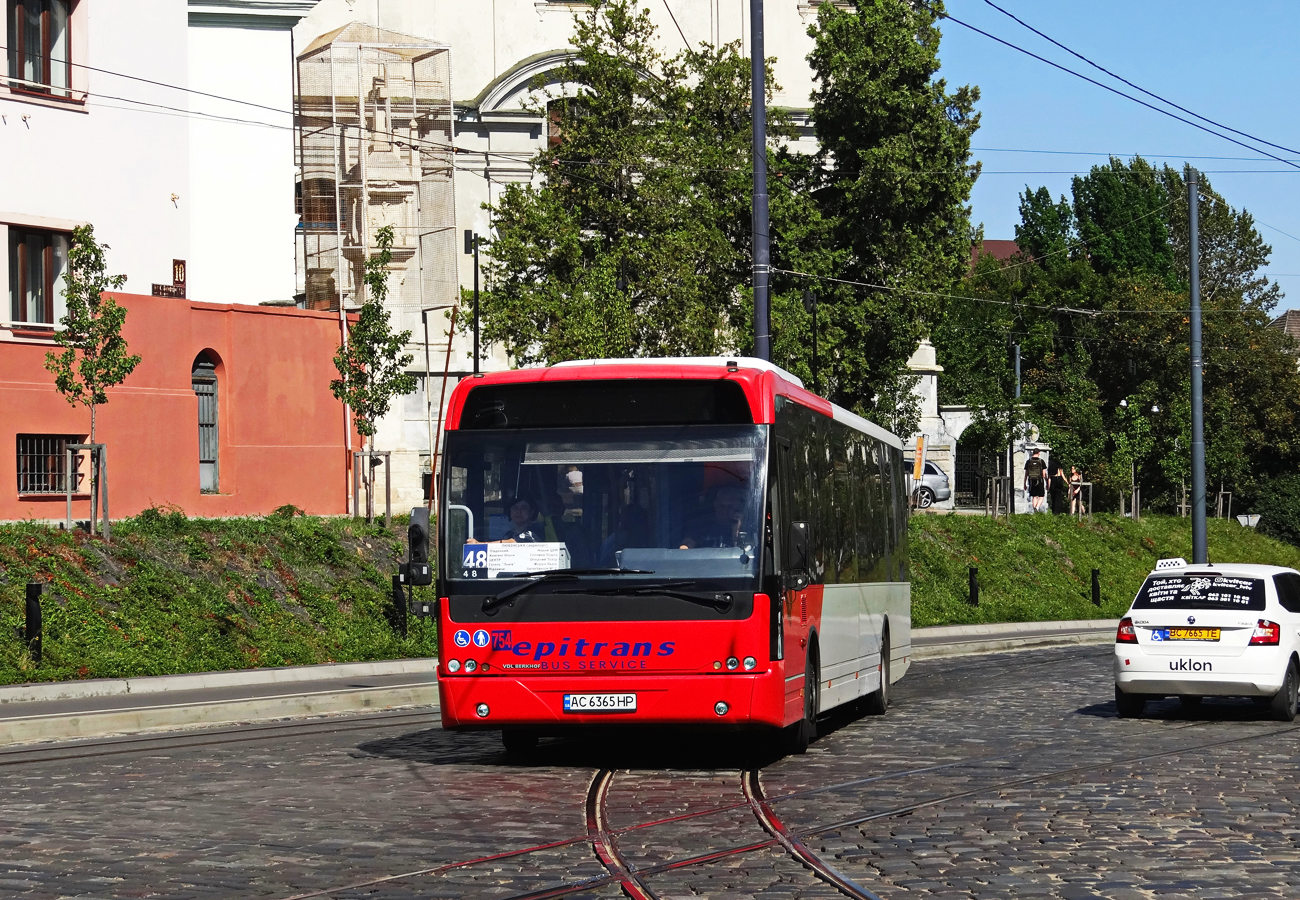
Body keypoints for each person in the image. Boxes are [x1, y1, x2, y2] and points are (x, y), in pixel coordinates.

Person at [679, 485, 749, 549]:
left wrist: (737, 532)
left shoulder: (745, 529)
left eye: (730, 507)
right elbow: (685, 547)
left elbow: (744, 556)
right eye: (722, 506)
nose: (725, 510)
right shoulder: (701, 526)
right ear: (715, 505)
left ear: (738, 508)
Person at [466, 496, 542, 544]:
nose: (518, 511)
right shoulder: (509, 534)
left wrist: (479, 545)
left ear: (532, 512)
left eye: (524, 508)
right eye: (515, 508)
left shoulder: (535, 530)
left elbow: (511, 543)